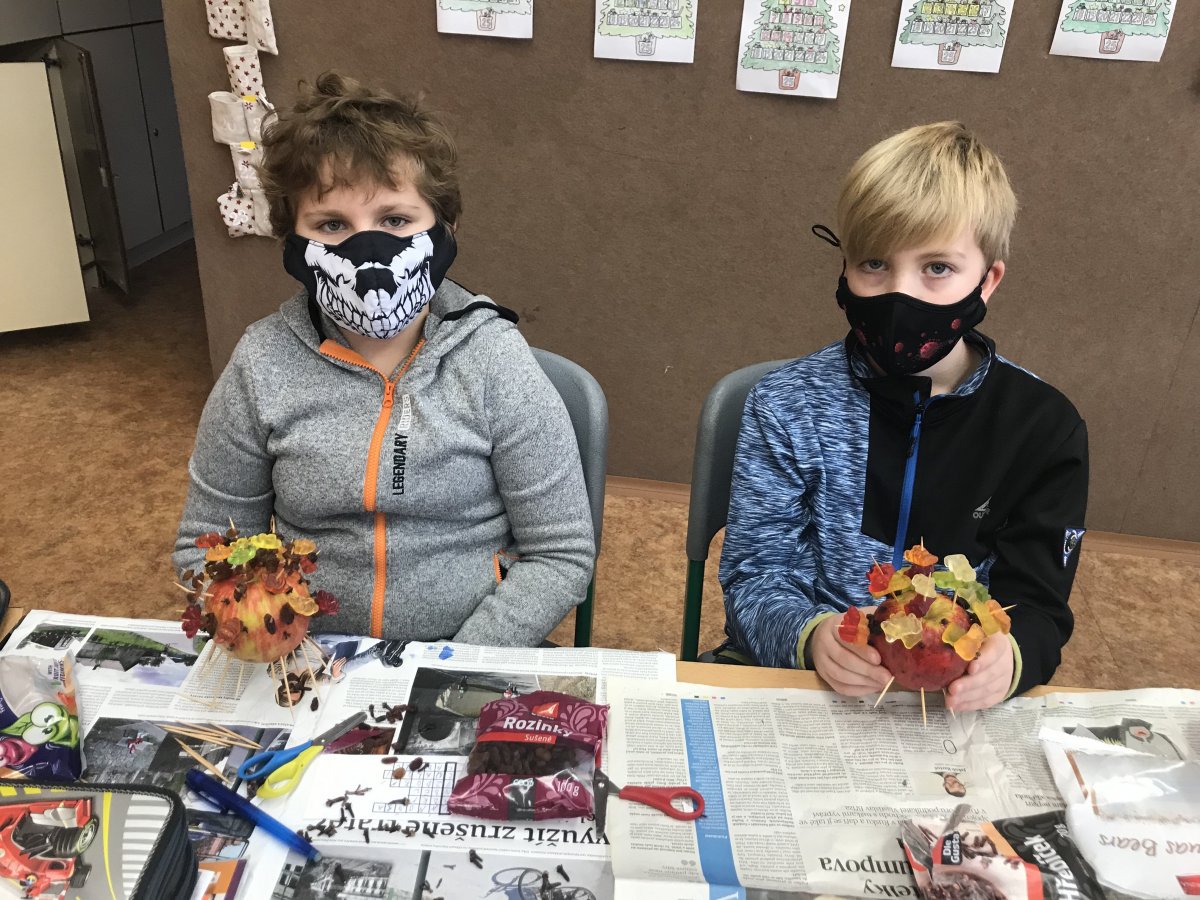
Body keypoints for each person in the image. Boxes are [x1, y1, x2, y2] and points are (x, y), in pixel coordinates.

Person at [174, 72, 594, 645]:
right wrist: (270, 636)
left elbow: (561, 553)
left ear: (445, 228)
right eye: (331, 224)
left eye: (395, 220)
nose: (367, 249)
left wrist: (450, 666)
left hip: (464, 654)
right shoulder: (261, 363)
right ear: (292, 239)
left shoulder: (495, 360)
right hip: (309, 659)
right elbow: (209, 546)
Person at [718, 122, 1088, 712]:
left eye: (937, 268)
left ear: (987, 280)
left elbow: (1039, 605)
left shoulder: (1042, 428)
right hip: (806, 679)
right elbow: (756, 576)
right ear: (844, 268)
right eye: (874, 263)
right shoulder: (786, 404)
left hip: (951, 693)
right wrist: (811, 638)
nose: (900, 295)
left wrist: (1010, 658)